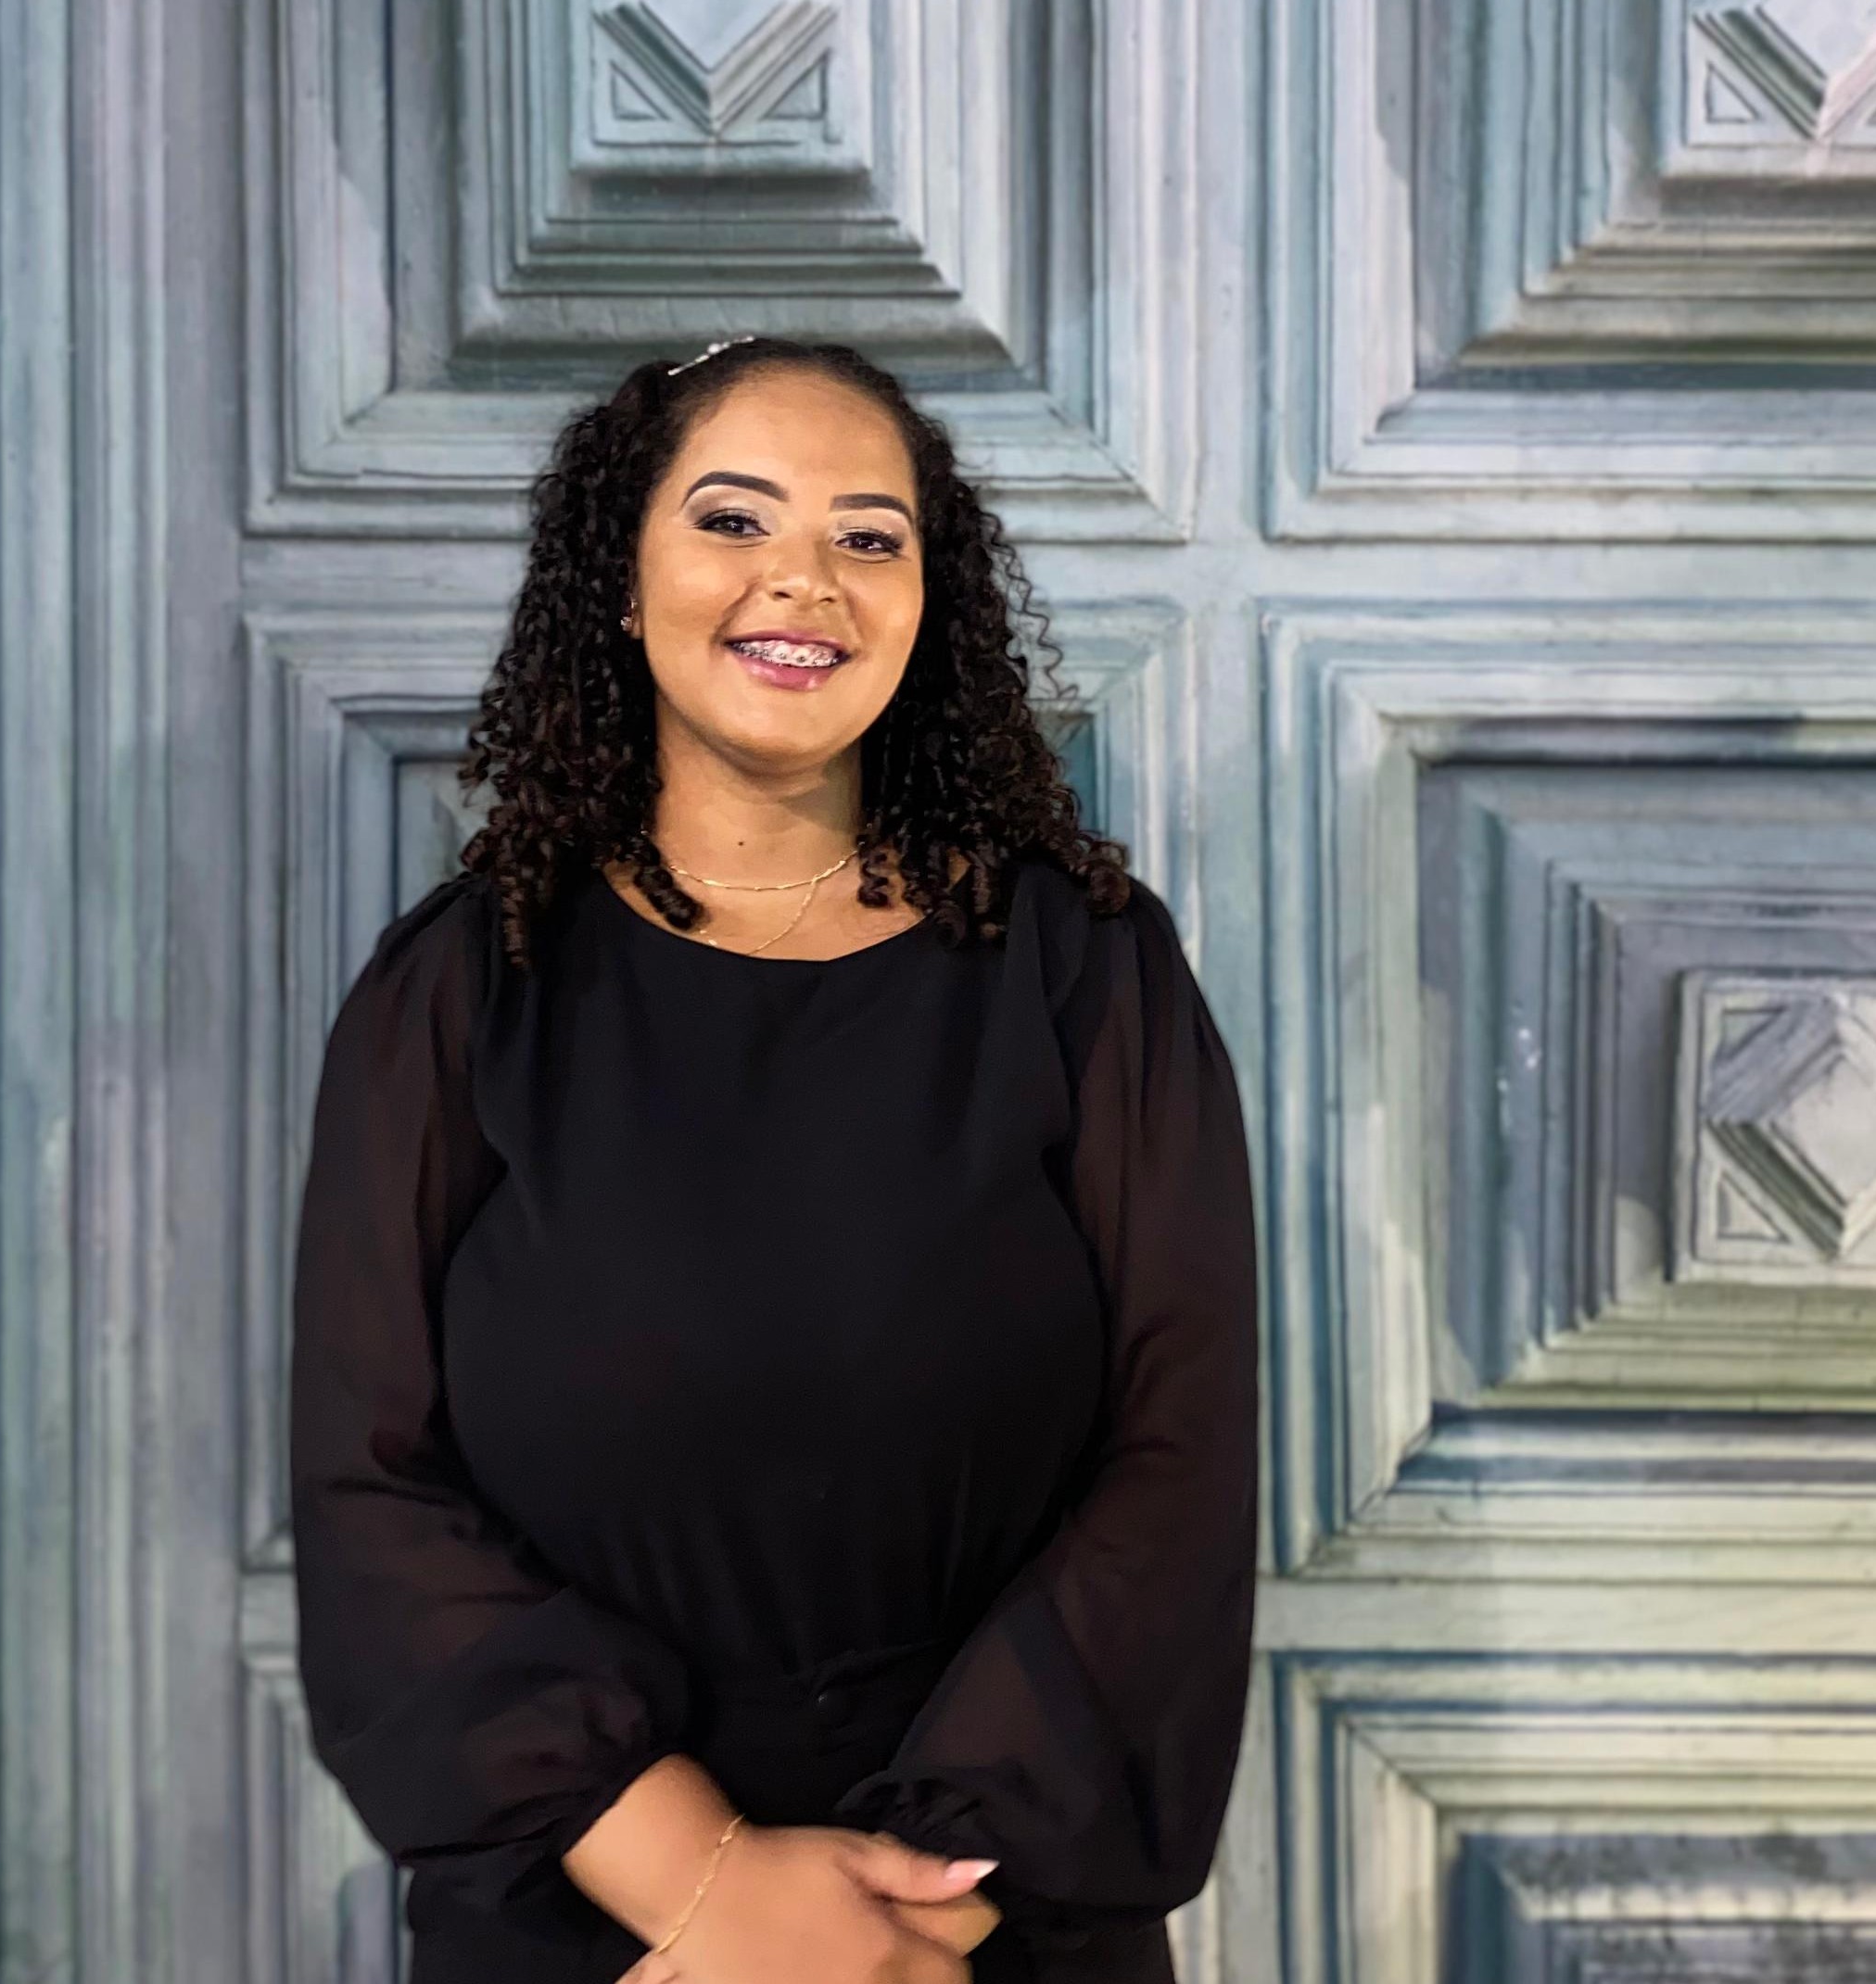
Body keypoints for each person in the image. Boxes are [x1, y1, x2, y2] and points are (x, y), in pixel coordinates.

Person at [288, 335, 1259, 1983]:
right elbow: (373, 1490)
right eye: (734, 520)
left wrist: (919, 1894)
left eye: (869, 537)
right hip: (592, 1907)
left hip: (993, 1914)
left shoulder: (1085, 971)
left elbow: (1180, 1453)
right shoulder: (460, 991)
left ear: (928, 602)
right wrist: (707, 1882)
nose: (804, 580)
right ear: (622, 577)